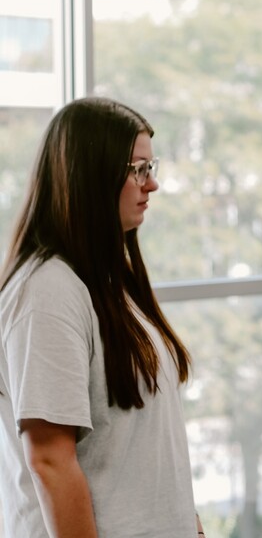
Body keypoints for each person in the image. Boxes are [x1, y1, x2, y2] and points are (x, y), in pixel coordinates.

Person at [0, 97, 203, 538]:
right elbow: (50, 462)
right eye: (139, 170)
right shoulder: (47, 292)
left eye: (152, 168)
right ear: (92, 178)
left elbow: (154, 452)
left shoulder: (109, 284)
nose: (152, 185)